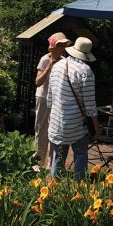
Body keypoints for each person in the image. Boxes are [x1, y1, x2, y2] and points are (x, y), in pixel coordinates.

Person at [47, 37, 101, 181]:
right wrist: (96, 128)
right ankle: (79, 189)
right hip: (76, 124)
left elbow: (50, 96)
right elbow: (90, 106)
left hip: (57, 120)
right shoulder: (85, 71)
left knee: (58, 155)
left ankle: (54, 188)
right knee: (80, 155)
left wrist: (51, 115)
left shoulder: (57, 66)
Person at [34, 32, 71, 170]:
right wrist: (50, 65)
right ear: (53, 47)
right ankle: (37, 163)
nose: (63, 48)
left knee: (54, 131)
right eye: (60, 45)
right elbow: (38, 82)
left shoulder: (64, 60)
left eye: (64, 45)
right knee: (41, 130)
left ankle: (51, 163)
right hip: (43, 98)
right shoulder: (45, 59)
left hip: (56, 99)